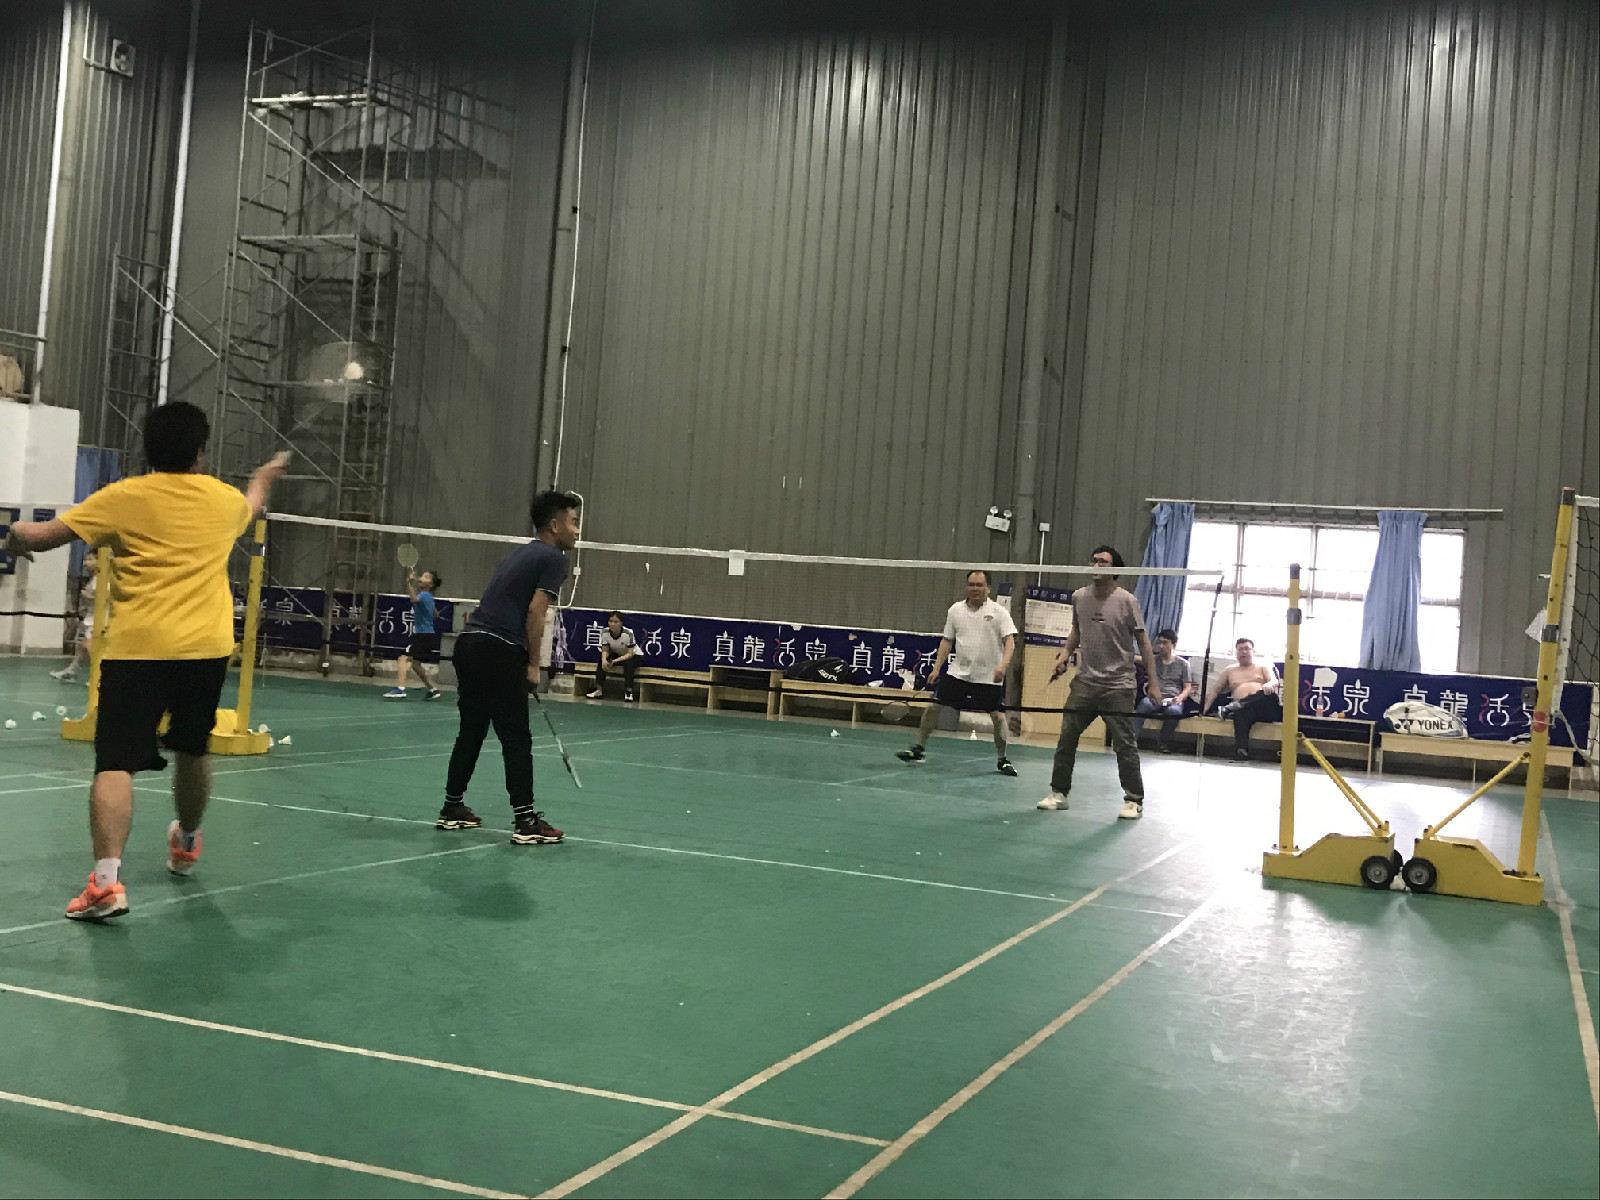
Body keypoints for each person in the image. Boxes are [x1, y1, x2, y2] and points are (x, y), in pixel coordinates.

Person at [3, 402, 289, 921]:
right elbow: (253, 504)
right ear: (201, 451)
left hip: (137, 648)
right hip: (205, 648)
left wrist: (15, 536)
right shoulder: (224, 501)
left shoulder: (121, 497)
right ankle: (187, 840)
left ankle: (106, 886)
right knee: (192, 748)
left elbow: (40, 537)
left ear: (147, 449)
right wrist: (263, 476)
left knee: (115, 761)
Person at [437, 490, 581, 844]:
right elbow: (536, 611)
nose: (577, 531)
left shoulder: (520, 553)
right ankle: (526, 821)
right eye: (573, 522)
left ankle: (452, 807)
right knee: (516, 737)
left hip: (469, 645)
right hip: (498, 649)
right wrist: (533, 665)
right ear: (554, 525)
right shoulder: (554, 558)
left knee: (472, 730)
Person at [1037, 545, 1162, 819]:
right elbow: (1077, 630)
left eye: (1103, 562)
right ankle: (1059, 793)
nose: (1096, 565)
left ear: (1115, 569)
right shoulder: (1079, 597)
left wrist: (1153, 682)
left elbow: (1143, 642)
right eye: (1094, 561)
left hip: (1119, 685)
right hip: (1085, 683)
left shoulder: (1128, 601)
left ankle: (1134, 800)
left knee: (1124, 744)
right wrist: (1065, 655)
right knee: (1067, 738)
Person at [895, 570, 1019, 776]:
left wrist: (1002, 666)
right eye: (971, 584)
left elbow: (1010, 642)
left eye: (979, 585)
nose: (975, 588)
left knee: (998, 717)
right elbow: (947, 641)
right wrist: (936, 668)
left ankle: (1002, 759)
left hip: (988, 677)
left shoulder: (999, 612)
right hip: (958, 673)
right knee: (933, 707)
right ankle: (918, 748)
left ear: (988, 588)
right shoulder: (955, 610)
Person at [1204, 636, 1282, 760]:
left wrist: (1269, 684)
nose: (1244, 652)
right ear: (1236, 652)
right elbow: (1215, 690)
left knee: (1269, 695)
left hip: (1264, 708)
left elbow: (1274, 681)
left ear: (1253, 651)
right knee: (1241, 712)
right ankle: (1241, 750)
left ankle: (1231, 707)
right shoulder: (1229, 670)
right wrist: (1204, 710)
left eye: (1247, 649)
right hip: (1246, 711)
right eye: (1240, 649)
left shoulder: (1263, 666)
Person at [385, 568, 444, 700]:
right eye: (422, 576)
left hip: (423, 635)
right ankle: (433, 690)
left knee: (403, 658)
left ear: (431, 584)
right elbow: (435, 613)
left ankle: (400, 689)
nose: (422, 578)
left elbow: (414, 599)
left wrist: (409, 583)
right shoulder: (429, 597)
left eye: (426, 577)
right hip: (428, 635)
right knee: (416, 665)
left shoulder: (424, 595)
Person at [1132, 628, 1193, 753]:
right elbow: (1136, 658)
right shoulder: (1153, 661)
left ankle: (1162, 742)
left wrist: (1180, 698)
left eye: (1165, 643)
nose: (1161, 646)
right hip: (1154, 697)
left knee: (1174, 712)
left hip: (1173, 699)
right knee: (1144, 704)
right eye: (1159, 642)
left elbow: (1187, 687)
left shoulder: (1183, 664)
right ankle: (1131, 741)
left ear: (1173, 644)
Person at [50, 554, 98, 682]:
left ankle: (98, 676)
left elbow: (107, 599)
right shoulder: (94, 578)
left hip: (97, 620)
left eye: (90, 560)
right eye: (85, 559)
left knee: (88, 645)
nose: (85, 563)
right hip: (89, 618)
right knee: (81, 647)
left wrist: (88, 596)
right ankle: (71, 671)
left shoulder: (103, 580)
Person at [589, 610, 639, 701]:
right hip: (618, 654)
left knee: (628, 663)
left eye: (616, 622)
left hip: (634, 656)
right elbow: (605, 650)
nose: (613, 624)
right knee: (603, 660)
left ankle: (629, 691)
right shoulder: (604, 632)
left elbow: (630, 654)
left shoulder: (628, 633)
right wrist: (604, 660)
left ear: (621, 623)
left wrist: (614, 661)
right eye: (611, 621)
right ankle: (598, 689)